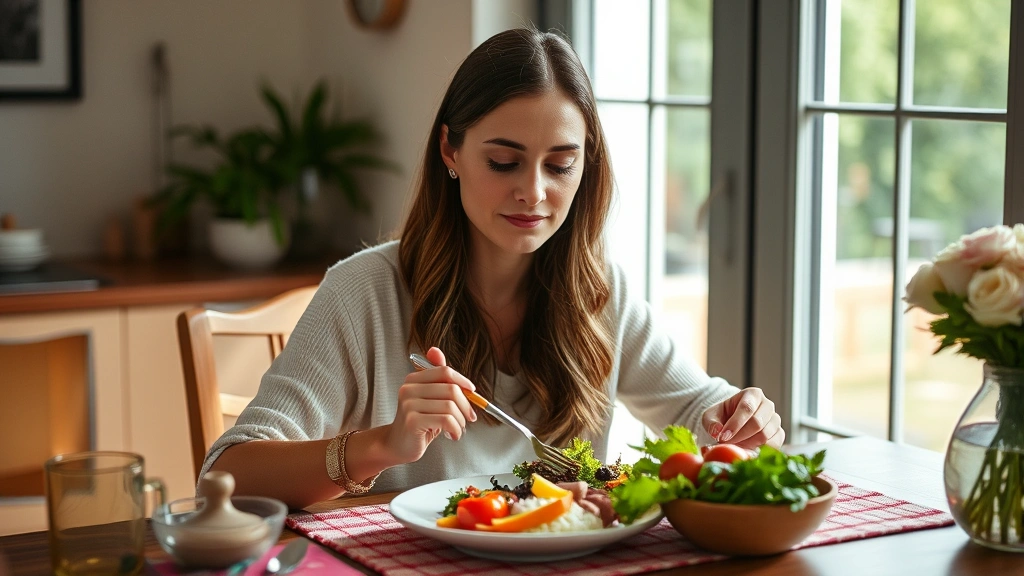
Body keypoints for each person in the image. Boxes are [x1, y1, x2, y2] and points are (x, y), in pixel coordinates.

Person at [203, 28, 784, 508]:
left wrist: (741, 419)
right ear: (450, 151)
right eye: (504, 162)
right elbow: (225, 478)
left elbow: (698, 413)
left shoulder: (601, 293)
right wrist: (382, 445)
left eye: (560, 166)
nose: (532, 192)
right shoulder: (364, 292)